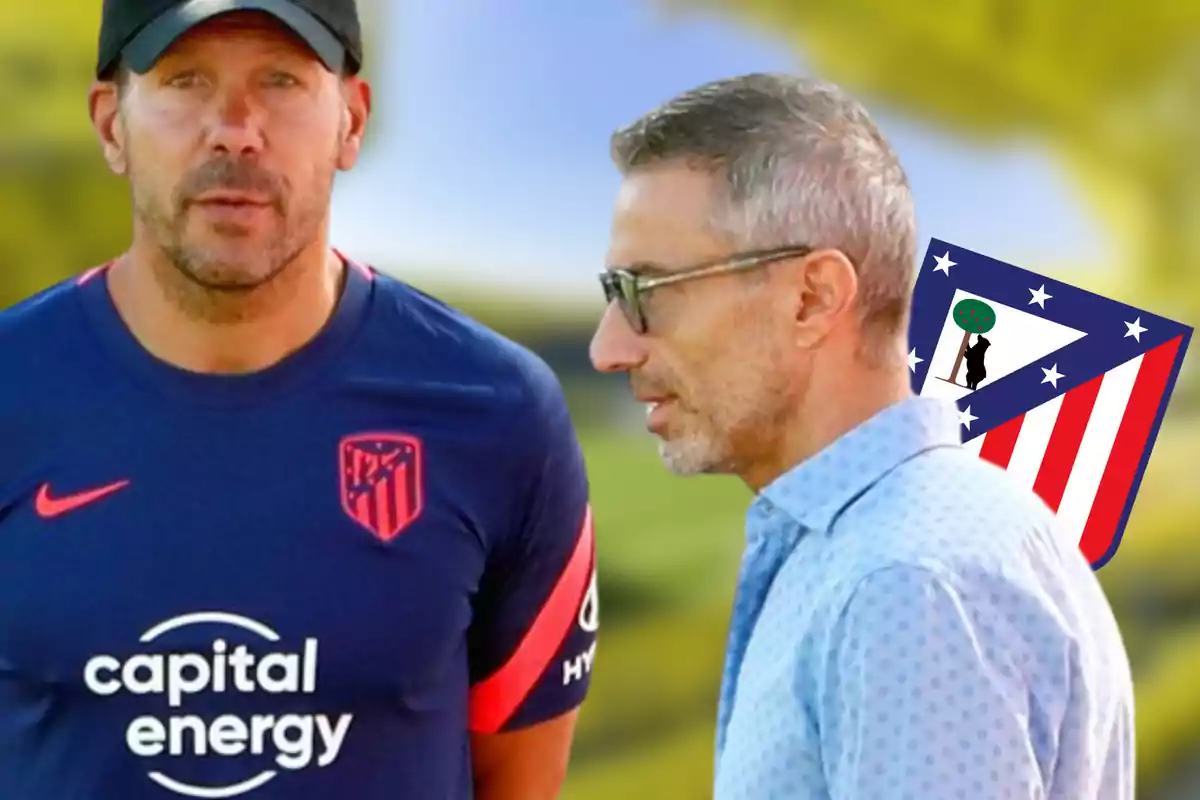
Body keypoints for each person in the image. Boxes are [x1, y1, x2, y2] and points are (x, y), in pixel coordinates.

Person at [0, 2, 597, 798]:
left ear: (351, 120)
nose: (236, 130)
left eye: (280, 81)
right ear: (111, 124)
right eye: (185, 81)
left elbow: (521, 780)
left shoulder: (496, 413)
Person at [589, 73, 1133, 799]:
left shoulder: (906, 586)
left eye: (646, 293)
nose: (609, 347)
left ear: (812, 298)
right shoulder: (894, 552)